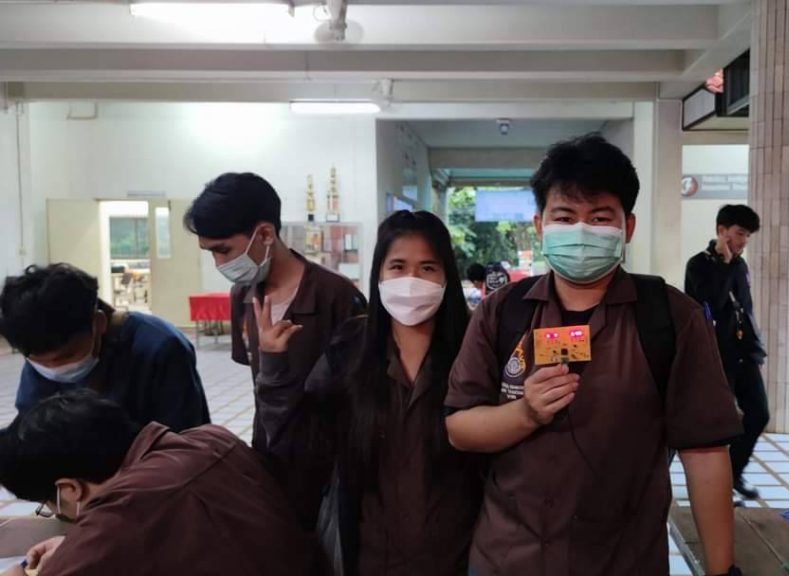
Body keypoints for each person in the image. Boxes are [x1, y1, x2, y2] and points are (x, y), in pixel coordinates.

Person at [445, 134, 743, 576]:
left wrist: (722, 571)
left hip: (622, 561)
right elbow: (460, 428)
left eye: (600, 217)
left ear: (628, 227)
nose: (581, 231)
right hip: (506, 558)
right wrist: (526, 413)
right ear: (540, 226)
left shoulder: (671, 318)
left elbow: (705, 455)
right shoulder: (502, 312)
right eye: (565, 216)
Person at [255, 210, 481, 575]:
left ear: (447, 277)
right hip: (371, 557)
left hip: (459, 557)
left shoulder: (473, 350)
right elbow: (301, 443)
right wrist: (274, 366)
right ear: (379, 275)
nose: (411, 281)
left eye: (427, 268)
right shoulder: (350, 350)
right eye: (398, 267)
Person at [184, 172, 366, 525]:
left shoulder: (337, 296)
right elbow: (259, 383)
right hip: (270, 455)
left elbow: (360, 393)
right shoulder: (243, 295)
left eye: (224, 250)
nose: (219, 264)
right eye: (210, 253)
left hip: (331, 465)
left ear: (265, 234)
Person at [0, 389, 314, 576]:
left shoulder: (122, 514)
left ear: (69, 489)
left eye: (50, 504)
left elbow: (126, 522)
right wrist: (80, 546)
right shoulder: (213, 439)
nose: (57, 512)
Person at [0, 264, 209, 432]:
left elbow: (185, 441)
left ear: (98, 323)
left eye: (68, 355)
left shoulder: (160, 347)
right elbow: (31, 426)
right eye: (41, 362)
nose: (55, 369)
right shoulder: (37, 342)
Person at [685, 204, 769, 503]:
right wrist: (723, 264)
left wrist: (756, 350)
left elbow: (745, 309)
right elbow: (713, 304)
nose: (744, 241)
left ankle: (734, 472)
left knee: (759, 414)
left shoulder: (740, 266)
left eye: (747, 236)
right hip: (714, 356)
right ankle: (718, 486)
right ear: (722, 231)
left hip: (744, 354)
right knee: (719, 424)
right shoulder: (698, 265)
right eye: (740, 233)